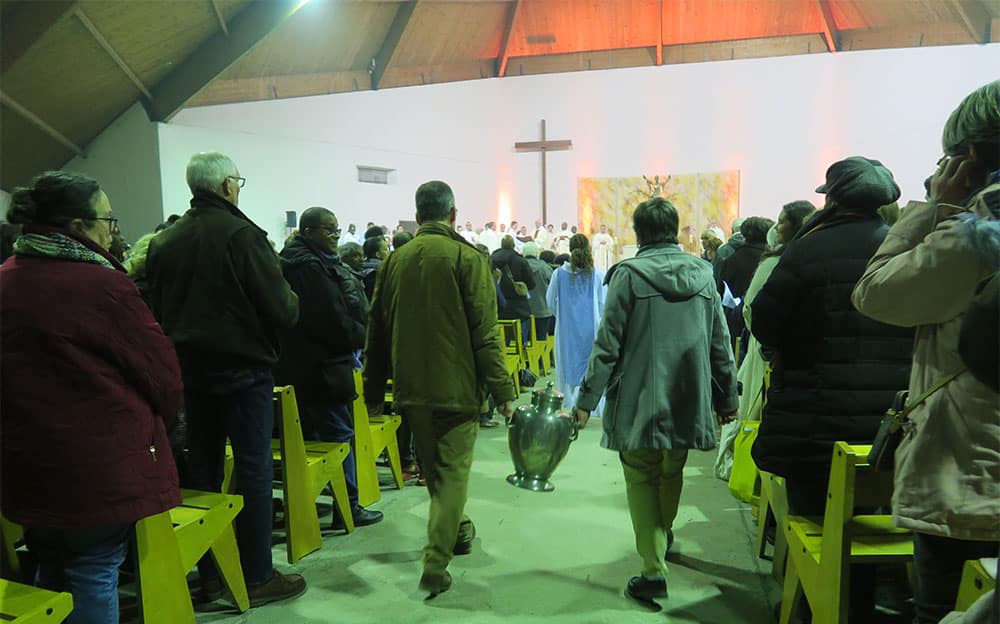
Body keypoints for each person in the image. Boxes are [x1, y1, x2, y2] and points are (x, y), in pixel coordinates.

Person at [2, 172, 183, 623]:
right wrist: (172, 421)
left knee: (50, 562)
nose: (114, 229)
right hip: (98, 461)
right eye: (108, 218)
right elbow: (160, 372)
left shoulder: (5, 278)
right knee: (94, 569)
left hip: (26, 457)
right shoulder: (102, 285)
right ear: (80, 225)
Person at [852, 80, 1000, 624]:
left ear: (972, 157)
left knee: (940, 609)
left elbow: (877, 293)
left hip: (972, 470)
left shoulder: (976, 235)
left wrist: (935, 206)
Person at [750, 157, 914, 622]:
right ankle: (859, 604)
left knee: (815, 525)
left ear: (833, 199)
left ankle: (814, 609)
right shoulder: (901, 248)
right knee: (867, 521)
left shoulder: (807, 250)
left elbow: (765, 321)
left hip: (813, 420)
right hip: (886, 428)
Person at [146, 151, 306, 606]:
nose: (239, 188)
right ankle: (256, 574)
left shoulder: (166, 240)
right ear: (224, 187)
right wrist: (290, 302)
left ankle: (213, 573)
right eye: (238, 181)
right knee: (253, 468)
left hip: (190, 371)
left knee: (203, 471)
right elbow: (282, 308)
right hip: (242, 371)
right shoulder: (241, 235)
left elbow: (157, 308)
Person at [572, 197, 738, 608]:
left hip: (640, 400)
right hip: (687, 396)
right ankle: (662, 533)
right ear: (674, 229)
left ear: (638, 233)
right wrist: (727, 398)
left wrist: (585, 399)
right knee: (672, 469)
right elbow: (720, 342)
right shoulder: (703, 273)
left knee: (641, 476)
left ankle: (652, 570)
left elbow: (607, 344)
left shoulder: (628, 276)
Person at [365, 180, 515, 598]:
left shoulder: (394, 261)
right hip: (457, 388)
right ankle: (435, 561)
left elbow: (375, 330)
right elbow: (485, 333)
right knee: (450, 477)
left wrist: (373, 389)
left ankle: (459, 527)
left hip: (411, 389)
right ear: (452, 214)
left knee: (435, 470)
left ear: (418, 214)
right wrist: (504, 392)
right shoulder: (468, 258)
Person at [275, 207, 383, 528]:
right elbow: (332, 320)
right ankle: (346, 505)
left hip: (297, 364)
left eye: (337, 230)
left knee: (313, 436)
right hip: (323, 366)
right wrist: (366, 337)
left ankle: (312, 503)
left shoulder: (292, 262)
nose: (336, 236)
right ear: (308, 231)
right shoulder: (310, 268)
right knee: (339, 435)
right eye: (329, 230)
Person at [714, 201, 815, 481]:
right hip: (798, 349)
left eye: (782, 221)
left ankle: (748, 472)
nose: (777, 226)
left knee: (755, 410)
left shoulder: (774, 260)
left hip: (765, 347)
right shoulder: (807, 256)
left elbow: (751, 310)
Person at [547, 233, 606, 410]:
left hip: (567, 330)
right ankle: (589, 406)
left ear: (570, 249)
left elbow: (550, 302)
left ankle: (569, 404)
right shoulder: (596, 275)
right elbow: (603, 303)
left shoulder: (558, 274)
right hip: (591, 329)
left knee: (568, 365)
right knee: (590, 365)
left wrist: (563, 316)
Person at [491, 235, 536, 341]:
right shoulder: (520, 261)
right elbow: (531, 284)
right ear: (513, 245)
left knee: (502, 341)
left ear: (501, 245)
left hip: (498, 306)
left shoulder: (492, 260)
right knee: (520, 340)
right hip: (519, 307)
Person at [523, 241, 555, 341]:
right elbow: (553, 285)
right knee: (541, 339)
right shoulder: (544, 267)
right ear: (536, 253)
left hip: (525, 310)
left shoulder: (519, 265)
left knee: (527, 339)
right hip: (543, 309)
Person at [361, 234, 389, 300]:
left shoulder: (363, 268)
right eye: (386, 250)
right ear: (378, 254)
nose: (389, 252)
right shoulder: (375, 273)